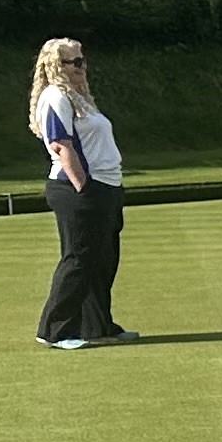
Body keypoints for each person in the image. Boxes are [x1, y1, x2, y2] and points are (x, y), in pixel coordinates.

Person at [29, 36, 136, 349]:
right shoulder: (55, 97)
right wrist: (84, 188)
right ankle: (54, 330)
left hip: (107, 186)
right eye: (73, 62)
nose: (81, 67)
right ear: (55, 66)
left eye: (82, 60)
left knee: (103, 259)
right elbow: (62, 144)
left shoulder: (80, 98)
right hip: (78, 189)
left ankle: (97, 325)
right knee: (78, 259)